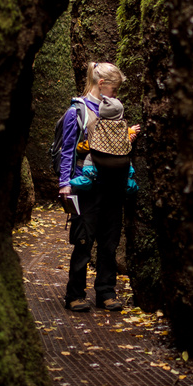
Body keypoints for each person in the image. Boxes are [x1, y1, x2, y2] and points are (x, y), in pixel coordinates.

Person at [58, 61, 139, 312]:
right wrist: (64, 184)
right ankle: (75, 294)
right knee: (84, 241)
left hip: (113, 186)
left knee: (109, 242)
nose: (116, 95)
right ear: (101, 84)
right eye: (114, 90)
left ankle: (106, 291)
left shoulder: (115, 110)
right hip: (87, 187)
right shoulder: (77, 112)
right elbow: (67, 150)